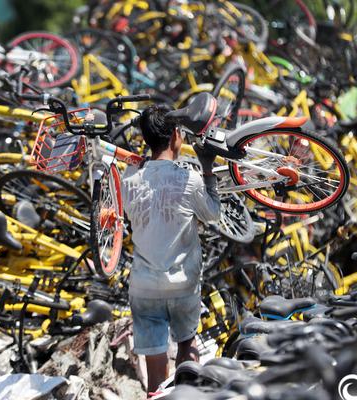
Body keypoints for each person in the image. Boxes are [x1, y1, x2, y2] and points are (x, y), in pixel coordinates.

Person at [121, 104, 221, 396]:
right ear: (177, 135)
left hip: (143, 287)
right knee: (187, 347)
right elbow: (213, 213)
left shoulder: (129, 180)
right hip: (182, 284)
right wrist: (208, 170)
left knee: (155, 373)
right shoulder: (187, 178)